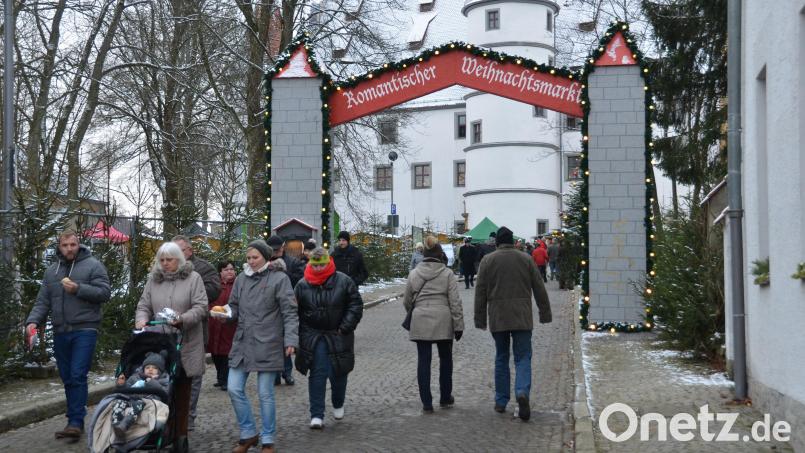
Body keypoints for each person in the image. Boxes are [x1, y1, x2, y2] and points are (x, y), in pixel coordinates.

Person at [26, 230, 111, 442]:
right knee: (67, 377)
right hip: (60, 330)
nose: (69, 249)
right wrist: (32, 322)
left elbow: (104, 293)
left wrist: (78, 288)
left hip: (85, 328)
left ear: (79, 244)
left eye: (72, 245)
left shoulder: (93, 265)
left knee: (77, 374)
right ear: (59, 246)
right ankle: (75, 418)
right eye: (65, 245)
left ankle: (75, 422)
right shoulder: (52, 271)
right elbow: (42, 301)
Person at [223, 240, 298, 453]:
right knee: (234, 388)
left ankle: (268, 439)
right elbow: (234, 307)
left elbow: (290, 312)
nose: (251, 261)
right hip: (243, 341)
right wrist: (225, 314)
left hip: (269, 342)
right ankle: (248, 434)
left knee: (265, 393)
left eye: (255, 257)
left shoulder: (279, 279)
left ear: (266, 257)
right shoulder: (241, 279)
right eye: (248, 258)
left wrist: (291, 340)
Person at [474, 226, 552, 421]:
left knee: (501, 357)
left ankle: (501, 401)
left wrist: (480, 318)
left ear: (498, 242)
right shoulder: (525, 259)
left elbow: (480, 292)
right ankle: (522, 392)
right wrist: (545, 313)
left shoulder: (487, 260)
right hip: (522, 316)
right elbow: (539, 287)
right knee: (523, 357)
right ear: (513, 241)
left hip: (498, 317)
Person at [135, 242, 207, 447]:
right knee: (159, 387)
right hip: (160, 343)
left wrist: (183, 318)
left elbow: (201, 307)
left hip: (186, 342)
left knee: (183, 391)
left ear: (179, 260)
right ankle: (160, 430)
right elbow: (143, 305)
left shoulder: (193, 279)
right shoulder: (153, 281)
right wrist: (141, 319)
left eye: (170, 260)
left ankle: (181, 434)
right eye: (162, 260)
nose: (165, 264)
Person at [294, 247, 363, 429]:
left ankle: (338, 402)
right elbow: (295, 312)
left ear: (328, 263)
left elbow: (355, 305)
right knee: (317, 373)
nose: (318, 269)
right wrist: (300, 334)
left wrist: (345, 326)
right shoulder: (302, 285)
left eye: (322, 265)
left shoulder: (344, 281)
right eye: (315, 266)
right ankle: (316, 414)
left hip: (338, 333)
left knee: (339, 372)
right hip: (314, 335)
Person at [403, 236, 464, 413]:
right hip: (444, 320)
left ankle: (426, 402)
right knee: (446, 360)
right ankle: (445, 397)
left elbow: (407, 301)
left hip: (420, 319)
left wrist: (415, 312)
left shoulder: (414, 273)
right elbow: (455, 302)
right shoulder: (447, 274)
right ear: (440, 254)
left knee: (424, 361)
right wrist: (458, 325)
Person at [172, 235, 220, 431]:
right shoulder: (167, 267)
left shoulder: (204, 268)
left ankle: (188, 416)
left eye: (180, 250)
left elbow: (214, 289)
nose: (176, 255)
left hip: (195, 328)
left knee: (193, 373)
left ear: (190, 251)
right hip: (169, 328)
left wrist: (189, 295)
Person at [267, 234, 305, 386]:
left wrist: (283, 274)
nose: (276, 252)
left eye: (278, 249)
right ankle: (275, 373)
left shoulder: (293, 262)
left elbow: (301, 279)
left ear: (282, 247)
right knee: (272, 343)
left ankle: (287, 372)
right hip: (269, 307)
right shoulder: (264, 263)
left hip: (287, 304)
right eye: (273, 250)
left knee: (285, 341)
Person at [111, 351, 171, 437]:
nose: (150, 369)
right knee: (119, 401)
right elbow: (126, 388)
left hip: (149, 402)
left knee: (138, 403)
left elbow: (165, 393)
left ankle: (125, 424)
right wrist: (121, 384)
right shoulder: (135, 377)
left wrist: (151, 382)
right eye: (147, 367)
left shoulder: (163, 381)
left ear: (160, 371)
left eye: (154, 368)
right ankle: (116, 425)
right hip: (131, 399)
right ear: (143, 369)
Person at [209, 261, 238, 390]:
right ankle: (220, 378)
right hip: (214, 322)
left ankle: (226, 379)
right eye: (226, 269)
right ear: (220, 272)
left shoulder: (237, 285)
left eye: (232, 269)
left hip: (230, 324)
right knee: (215, 352)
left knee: (227, 352)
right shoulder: (215, 285)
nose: (230, 271)